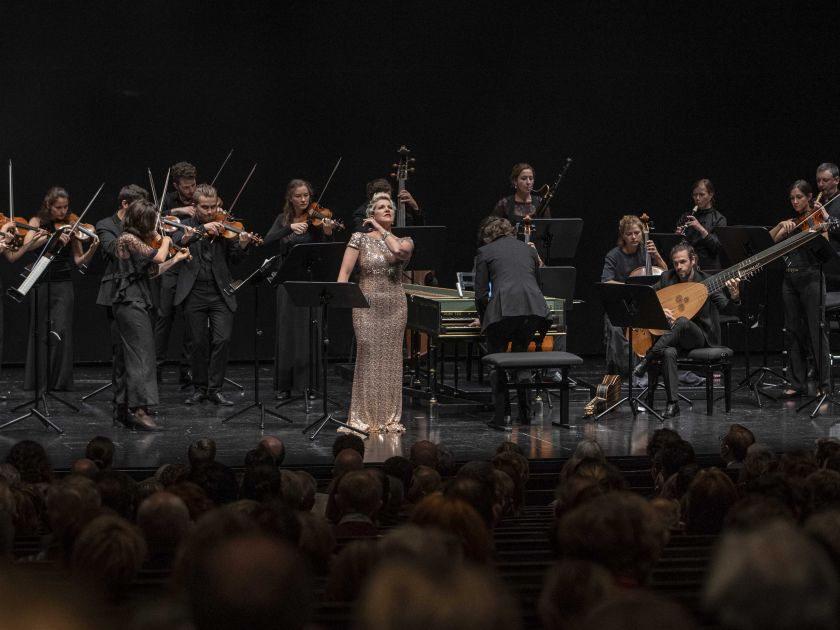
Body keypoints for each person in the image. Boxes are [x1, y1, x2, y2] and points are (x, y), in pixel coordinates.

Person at [633, 242, 740, 418]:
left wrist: (735, 297)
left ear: (693, 260)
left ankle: (648, 359)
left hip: (700, 338)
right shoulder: (668, 278)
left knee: (682, 321)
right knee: (668, 352)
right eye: (675, 263)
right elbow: (646, 298)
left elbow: (726, 310)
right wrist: (659, 309)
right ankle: (672, 404)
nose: (679, 267)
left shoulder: (707, 282)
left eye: (683, 262)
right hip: (674, 338)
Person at [337, 191, 413, 433]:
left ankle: (388, 417)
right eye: (381, 207)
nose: (388, 209)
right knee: (369, 356)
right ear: (371, 214)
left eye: (390, 207)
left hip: (394, 306)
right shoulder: (359, 238)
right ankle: (364, 416)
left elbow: (399, 252)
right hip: (366, 306)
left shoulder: (406, 240)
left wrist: (381, 230)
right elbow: (344, 275)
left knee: (391, 360)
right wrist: (345, 300)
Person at [110, 200, 190, 430]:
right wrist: (166, 239)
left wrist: (176, 259)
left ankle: (124, 409)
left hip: (137, 299)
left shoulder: (138, 242)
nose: (156, 224)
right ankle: (140, 410)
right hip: (129, 301)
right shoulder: (127, 238)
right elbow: (157, 257)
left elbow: (153, 271)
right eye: (153, 220)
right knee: (142, 355)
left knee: (133, 356)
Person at [175, 183, 252, 406]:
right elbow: (178, 243)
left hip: (220, 292)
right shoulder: (185, 226)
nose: (210, 212)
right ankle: (200, 388)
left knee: (222, 339)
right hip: (194, 291)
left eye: (213, 207)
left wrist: (244, 245)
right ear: (194, 206)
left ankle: (215, 388)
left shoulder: (224, 226)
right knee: (197, 343)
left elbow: (235, 260)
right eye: (205, 208)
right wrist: (200, 232)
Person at [472, 216, 552, 429]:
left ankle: (501, 415)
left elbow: (480, 295)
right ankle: (525, 415)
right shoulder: (529, 250)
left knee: (496, 360)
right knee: (520, 356)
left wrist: (483, 319)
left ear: (488, 236)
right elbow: (537, 283)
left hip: (503, 310)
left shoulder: (485, 252)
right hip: (534, 309)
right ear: (510, 231)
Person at [19, 187, 99, 392]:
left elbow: (79, 261)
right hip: (40, 282)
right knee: (39, 330)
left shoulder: (72, 226)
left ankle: (59, 381)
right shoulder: (36, 223)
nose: (63, 212)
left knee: (61, 331)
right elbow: (26, 247)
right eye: (58, 208)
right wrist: (53, 237)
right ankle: (39, 382)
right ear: (49, 206)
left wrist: (92, 249)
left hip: (63, 284)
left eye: (65, 207)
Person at [264, 179, 336, 401]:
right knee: (287, 333)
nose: (304, 200)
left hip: (310, 282)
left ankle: (310, 385)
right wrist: (289, 228)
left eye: (306, 195)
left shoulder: (316, 218)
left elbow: (326, 248)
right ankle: (284, 385)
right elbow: (267, 239)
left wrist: (328, 232)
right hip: (287, 283)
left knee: (310, 334)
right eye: (299, 196)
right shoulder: (283, 219)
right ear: (290, 198)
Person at [769, 180, 831, 398]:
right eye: (792, 198)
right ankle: (797, 383)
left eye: (799, 197)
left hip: (812, 279)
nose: (795, 201)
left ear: (809, 197)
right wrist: (781, 227)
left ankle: (824, 385)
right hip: (790, 280)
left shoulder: (816, 219)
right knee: (793, 331)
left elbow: (825, 247)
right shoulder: (792, 223)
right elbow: (768, 245)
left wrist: (820, 225)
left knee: (816, 331)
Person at [95, 185, 149, 424]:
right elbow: (111, 249)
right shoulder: (105, 225)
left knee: (139, 352)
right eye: (137, 206)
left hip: (141, 291)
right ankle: (120, 405)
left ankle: (137, 403)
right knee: (120, 353)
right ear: (125, 205)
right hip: (115, 292)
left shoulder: (142, 226)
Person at [601, 214, 667, 379]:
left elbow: (666, 274)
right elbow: (606, 281)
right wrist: (630, 288)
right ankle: (634, 369)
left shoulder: (646, 252)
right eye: (629, 233)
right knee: (615, 329)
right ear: (623, 235)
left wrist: (657, 256)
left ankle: (658, 366)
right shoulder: (613, 255)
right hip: (621, 303)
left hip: (643, 303)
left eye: (637, 233)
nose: (634, 237)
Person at [155, 160, 198, 385]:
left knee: (191, 319)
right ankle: (156, 368)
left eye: (193, 185)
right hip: (171, 264)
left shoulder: (201, 199)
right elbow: (152, 217)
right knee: (164, 316)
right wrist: (178, 211)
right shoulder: (167, 201)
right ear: (176, 185)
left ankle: (187, 369)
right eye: (186, 187)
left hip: (191, 264)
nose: (191, 191)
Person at [675, 178, 727, 270]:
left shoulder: (719, 219)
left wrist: (700, 228)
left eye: (701, 195)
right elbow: (676, 247)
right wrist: (677, 237)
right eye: (695, 195)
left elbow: (718, 247)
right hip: (688, 269)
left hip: (709, 269)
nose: (697, 198)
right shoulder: (686, 216)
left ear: (711, 195)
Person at [352, 178, 424, 231]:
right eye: (382, 197)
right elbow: (363, 233)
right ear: (372, 198)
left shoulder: (392, 209)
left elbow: (419, 229)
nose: (387, 208)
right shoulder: (360, 214)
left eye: (388, 197)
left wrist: (415, 208)